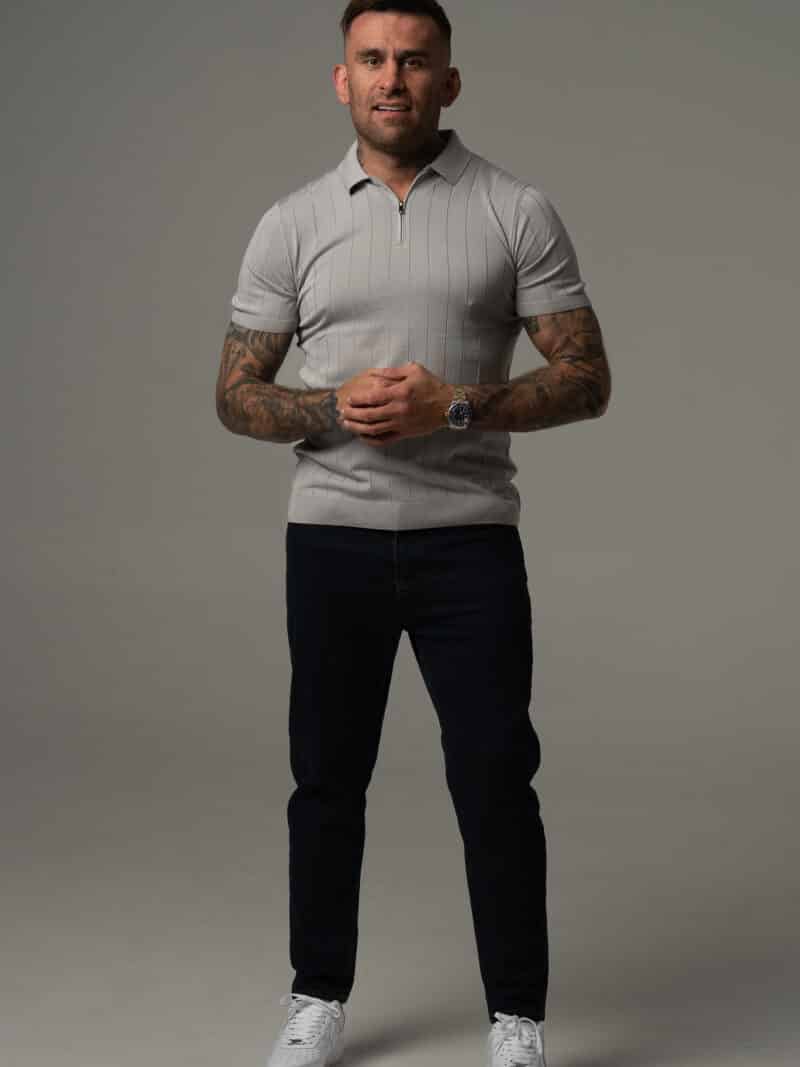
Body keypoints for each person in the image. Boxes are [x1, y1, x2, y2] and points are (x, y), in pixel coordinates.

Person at [215, 2, 611, 1064]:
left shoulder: (512, 209)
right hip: (331, 540)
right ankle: (316, 995)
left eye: (415, 60)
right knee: (324, 777)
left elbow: (586, 379)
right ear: (342, 80)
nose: (393, 77)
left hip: (468, 541)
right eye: (373, 59)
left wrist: (457, 405)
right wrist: (328, 407)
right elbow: (235, 394)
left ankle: (516, 1016)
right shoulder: (293, 222)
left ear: (449, 80)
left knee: (494, 775)